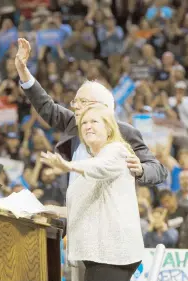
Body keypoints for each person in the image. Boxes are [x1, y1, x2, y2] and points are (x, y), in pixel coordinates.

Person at [15, 38, 168, 187]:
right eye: (75, 102)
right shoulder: (74, 124)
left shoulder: (125, 132)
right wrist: (23, 71)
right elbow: (46, 106)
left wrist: (141, 170)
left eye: (82, 102)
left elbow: (159, 170)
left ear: (101, 106)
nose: (75, 106)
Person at [41, 105, 144, 281]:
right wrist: (53, 210)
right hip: (101, 256)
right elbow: (86, 206)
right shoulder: (92, 160)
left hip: (111, 254)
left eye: (94, 122)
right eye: (84, 123)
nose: (87, 126)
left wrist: (68, 166)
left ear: (109, 128)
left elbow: (101, 167)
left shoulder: (117, 151)